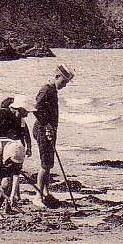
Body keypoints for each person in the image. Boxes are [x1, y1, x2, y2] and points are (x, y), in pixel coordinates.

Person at [32, 64, 75, 206]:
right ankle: (38, 196)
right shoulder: (46, 89)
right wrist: (47, 125)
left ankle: (46, 192)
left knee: (49, 163)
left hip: (50, 130)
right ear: (57, 77)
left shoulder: (53, 90)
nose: (64, 85)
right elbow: (35, 109)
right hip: (43, 129)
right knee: (45, 164)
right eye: (64, 82)